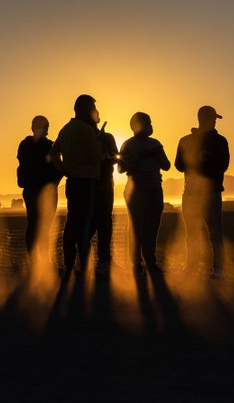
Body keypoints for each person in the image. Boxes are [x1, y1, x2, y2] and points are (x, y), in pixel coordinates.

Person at [174, 105, 230, 278]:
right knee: (209, 233)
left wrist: (197, 162)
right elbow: (223, 165)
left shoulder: (186, 140)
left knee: (197, 233)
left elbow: (179, 166)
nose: (215, 122)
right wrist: (203, 161)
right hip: (207, 193)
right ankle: (212, 269)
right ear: (206, 119)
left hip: (194, 193)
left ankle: (200, 268)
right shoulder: (219, 141)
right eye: (213, 118)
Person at [49, 94, 101, 278]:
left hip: (72, 182)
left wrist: (63, 169)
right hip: (87, 182)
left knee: (72, 223)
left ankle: (69, 265)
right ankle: (85, 267)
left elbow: (53, 153)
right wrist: (98, 142)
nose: (96, 111)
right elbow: (95, 157)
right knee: (86, 224)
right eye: (93, 108)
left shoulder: (66, 129)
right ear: (86, 110)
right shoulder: (85, 130)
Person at [118, 112, 170, 275]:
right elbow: (120, 168)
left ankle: (151, 262)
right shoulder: (128, 145)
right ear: (136, 125)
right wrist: (139, 158)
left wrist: (158, 154)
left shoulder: (155, 144)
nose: (150, 126)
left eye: (150, 122)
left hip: (155, 189)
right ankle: (136, 263)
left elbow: (167, 165)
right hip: (136, 191)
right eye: (147, 123)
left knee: (152, 228)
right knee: (136, 228)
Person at [16, 115, 62, 267]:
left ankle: (38, 261)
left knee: (37, 226)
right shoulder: (49, 146)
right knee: (41, 226)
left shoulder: (25, 145)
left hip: (35, 191)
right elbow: (58, 168)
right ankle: (40, 262)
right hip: (44, 192)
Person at [93, 121, 119, 273]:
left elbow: (116, 157)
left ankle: (105, 259)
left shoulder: (107, 137)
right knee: (90, 224)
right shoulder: (84, 136)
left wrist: (106, 154)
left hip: (106, 184)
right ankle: (88, 262)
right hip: (89, 184)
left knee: (105, 224)